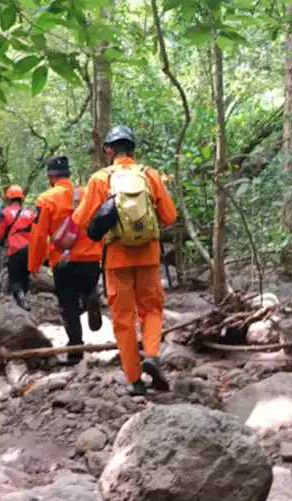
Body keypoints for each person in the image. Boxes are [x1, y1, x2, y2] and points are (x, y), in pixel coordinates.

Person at [72, 125, 178, 396]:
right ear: (133, 149)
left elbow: (80, 221)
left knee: (123, 318)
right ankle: (152, 355)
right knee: (152, 309)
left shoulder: (99, 179)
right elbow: (169, 216)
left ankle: (135, 380)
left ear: (108, 150)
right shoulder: (150, 175)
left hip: (116, 258)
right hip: (149, 254)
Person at [27, 156, 103, 361]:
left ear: (51, 176)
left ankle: (76, 349)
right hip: (92, 257)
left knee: (68, 305)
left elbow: (39, 235)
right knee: (88, 286)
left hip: (64, 261)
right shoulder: (88, 193)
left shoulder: (47, 199)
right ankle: (92, 297)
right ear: (69, 173)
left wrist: (34, 265)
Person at [0, 185, 35, 310]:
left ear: (8, 198)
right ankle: (24, 300)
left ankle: (21, 302)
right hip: (30, 249)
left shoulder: (5, 213)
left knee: (15, 279)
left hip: (15, 249)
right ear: (21, 198)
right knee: (25, 277)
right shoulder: (30, 213)